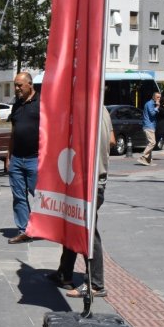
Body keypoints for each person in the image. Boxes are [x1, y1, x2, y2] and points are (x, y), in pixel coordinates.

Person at [49, 107, 115, 298]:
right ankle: (65, 273)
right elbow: (111, 140)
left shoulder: (85, 112)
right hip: (96, 181)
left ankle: (96, 284)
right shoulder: (102, 109)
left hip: (88, 183)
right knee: (74, 225)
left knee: (87, 231)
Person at [8, 72, 40, 243]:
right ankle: (24, 230)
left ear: (30, 84)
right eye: (15, 85)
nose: (17, 88)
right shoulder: (16, 105)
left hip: (36, 159)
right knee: (19, 196)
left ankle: (46, 227)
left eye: (20, 85)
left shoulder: (41, 103)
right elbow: (13, 134)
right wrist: (9, 157)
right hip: (17, 159)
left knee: (40, 195)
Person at [137, 91, 159, 166]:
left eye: (159, 97)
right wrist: (157, 107)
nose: (159, 99)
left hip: (150, 126)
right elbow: (152, 113)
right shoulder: (150, 104)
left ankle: (147, 161)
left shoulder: (151, 104)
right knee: (152, 142)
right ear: (153, 97)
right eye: (157, 97)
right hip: (149, 126)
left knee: (149, 143)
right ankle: (143, 157)